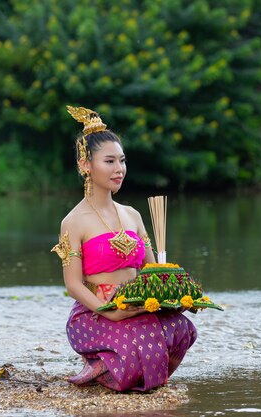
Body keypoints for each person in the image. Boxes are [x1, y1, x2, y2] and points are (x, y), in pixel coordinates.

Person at [51, 105, 197, 392]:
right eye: (109, 161)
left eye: (122, 161)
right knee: (132, 349)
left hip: (136, 306)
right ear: (85, 165)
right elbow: (72, 284)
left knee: (182, 328)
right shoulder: (73, 221)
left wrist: (173, 295)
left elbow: (151, 272)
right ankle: (102, 364)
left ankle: (114, 366)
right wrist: (111, 312)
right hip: (96, 312)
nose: (119, 169)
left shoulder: (133, 215)